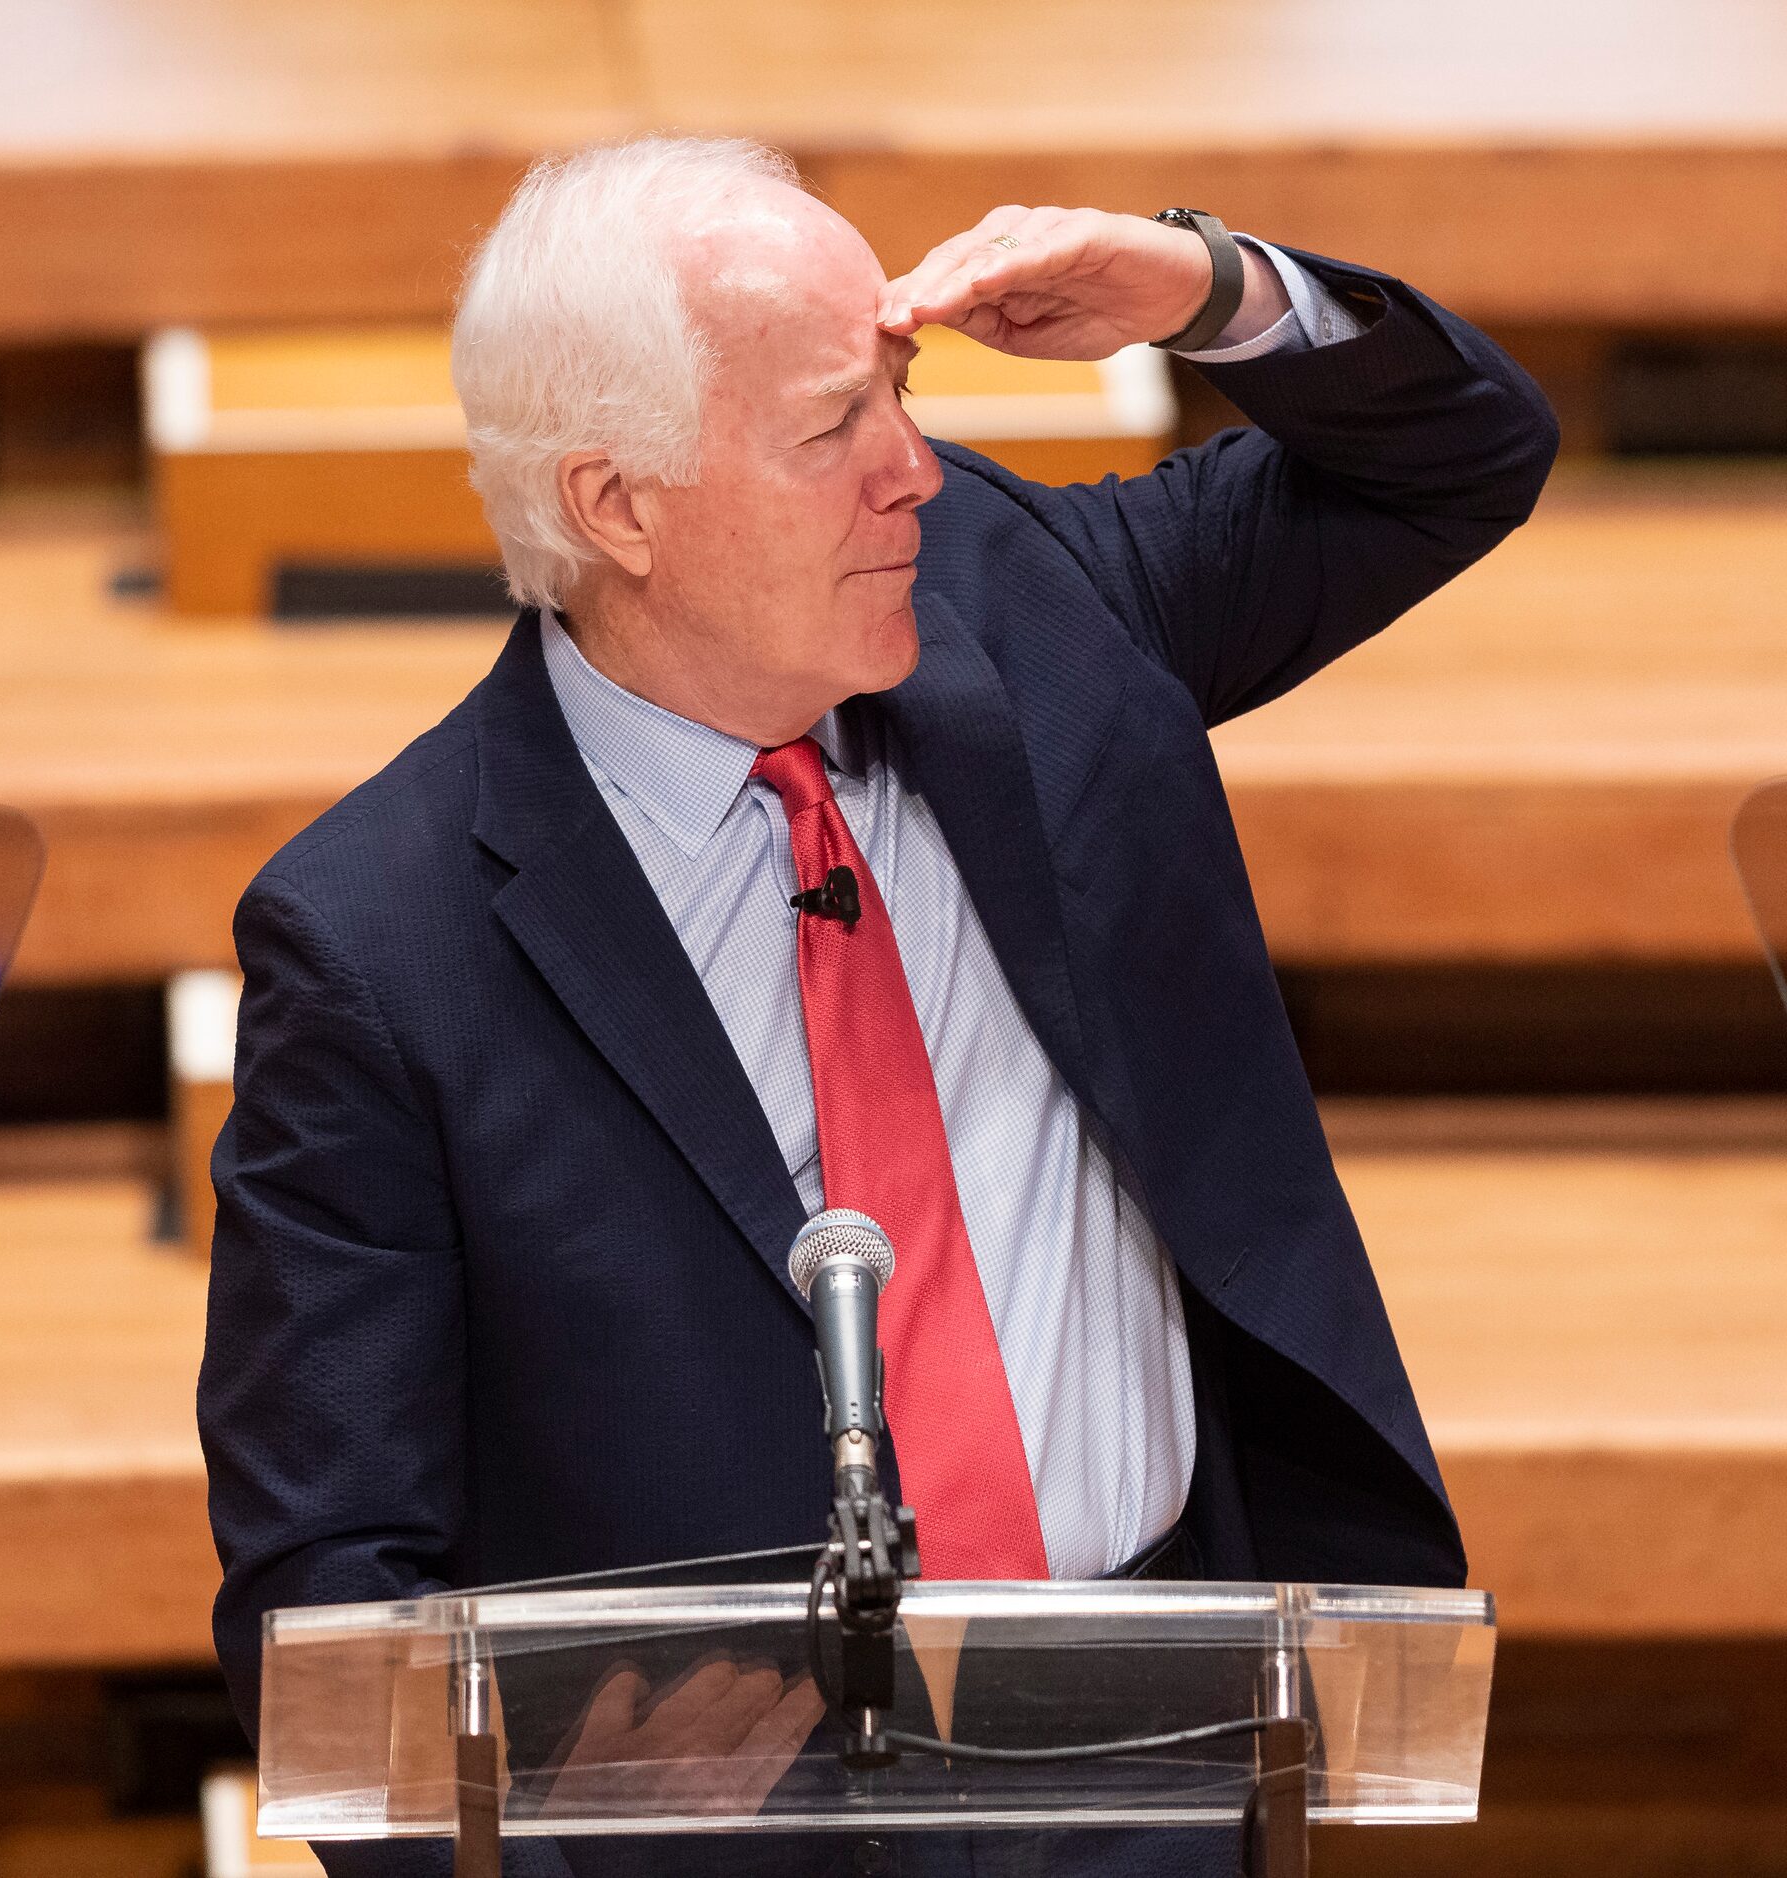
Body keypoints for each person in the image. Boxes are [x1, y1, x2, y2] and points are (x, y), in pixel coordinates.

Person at [199, 135, 1556, 1877]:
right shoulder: (383, 943)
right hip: (725, 1843)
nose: (911, 468)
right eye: (833, 422)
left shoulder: (1034, 608)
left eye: (900, 390)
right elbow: (328, 1581)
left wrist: (1207, 289)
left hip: (1159, 1742)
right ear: (617, 503)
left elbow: (1457, 462)